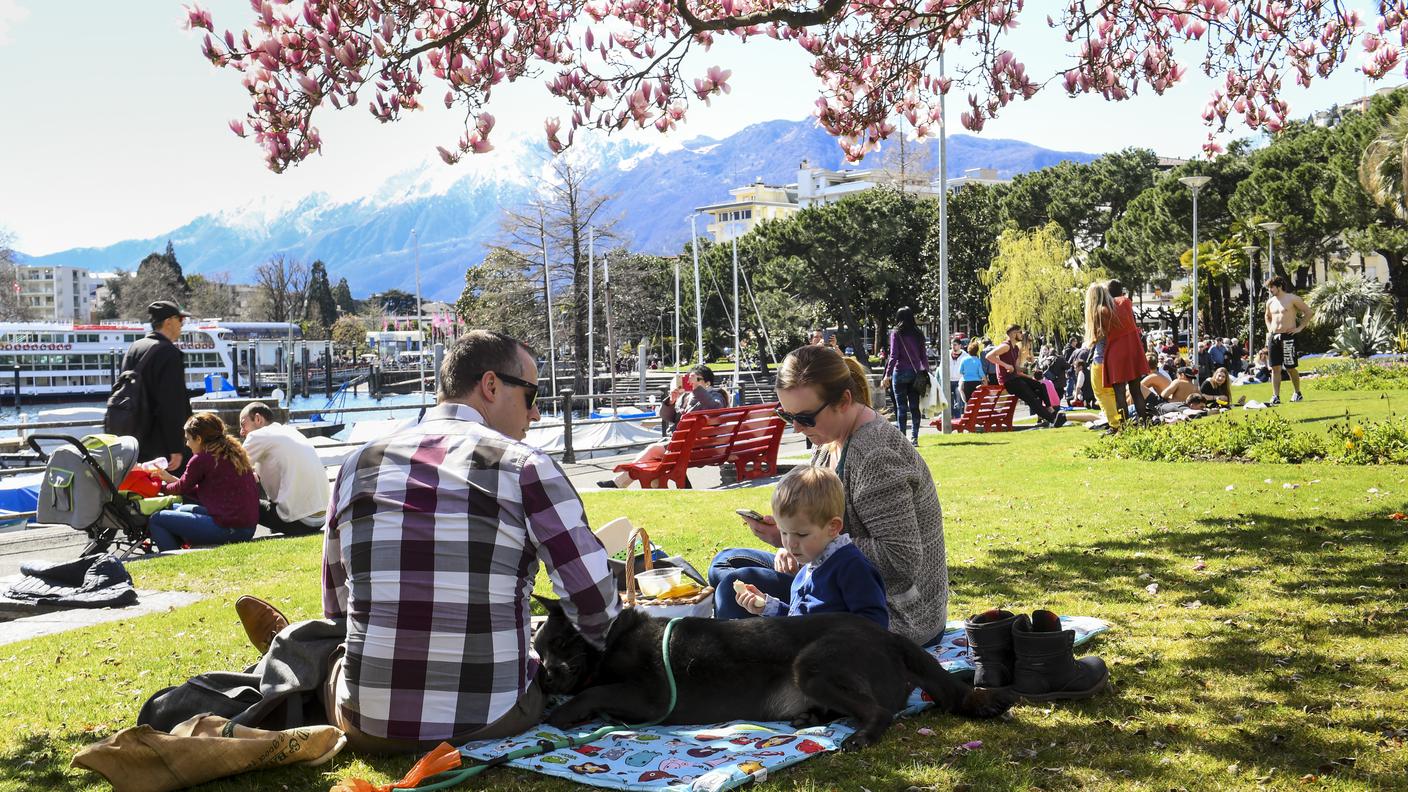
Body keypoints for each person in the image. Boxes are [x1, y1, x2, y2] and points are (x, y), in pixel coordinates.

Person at [709, 344, 948, 646]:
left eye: (805, 418)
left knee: (731, 587)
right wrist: (787, 535)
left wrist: (812, 541)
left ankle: (761, 686)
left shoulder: (875, 456)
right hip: (839, 579)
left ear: (843, 400)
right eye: (787, 415)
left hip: (890, 615)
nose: (796, 428)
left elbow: (899, 561)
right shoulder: (831, 437)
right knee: (725, 564)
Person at [733, 466, 888, 628]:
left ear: (833, 527)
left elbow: (875, 626)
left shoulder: (851, 567)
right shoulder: (811, 563)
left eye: (801, 534)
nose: (790, 543)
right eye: (784, 532)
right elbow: (801, 621)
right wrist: (766, 606)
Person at [598, 364, 727, 488]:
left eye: (696, 379)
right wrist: (670, 402)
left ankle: (618, 483)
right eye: (690, 378)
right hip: (684, 444)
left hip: (697, 447)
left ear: (708, 383)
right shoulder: (687, 397)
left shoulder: (715, 395)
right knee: (653, 459)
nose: (692, 382)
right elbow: (668, 418)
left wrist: (697, 390)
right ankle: (647, 486)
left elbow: (716, 408)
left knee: (653, 450)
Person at [148, 412, 259, 552]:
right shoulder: (233, 452)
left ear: (199, 439)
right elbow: (198, 491)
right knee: (181, 509)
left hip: (231, 530)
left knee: (157, 519)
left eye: (188, 439)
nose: (187, 444)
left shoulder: (201, 459)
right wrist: (170, 479)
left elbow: (181, 488)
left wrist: (158, 488)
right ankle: (185, 549)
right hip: (246, 528)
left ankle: (173, 557)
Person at [111, 300, 194, 469]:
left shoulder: (134, 348)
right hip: (160, 444)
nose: (182, 325)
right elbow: (172, 404)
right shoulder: (168, 353)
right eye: (180, 320)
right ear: (168, 322)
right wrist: (176, 447)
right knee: (171, 491)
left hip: (133, 438)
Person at [238, 402, 331, 535]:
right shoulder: (290, 431)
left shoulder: (257, 435)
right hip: (321, 518)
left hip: (299, 521)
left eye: (243, 424)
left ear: (258, 419)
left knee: (241, 501)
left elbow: (230, 469)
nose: (241, 432)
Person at [987, 325, 1067, 427]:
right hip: (1008, 381)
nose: (1022, 334)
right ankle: (1053, 420)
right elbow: (989, 356)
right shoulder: (1005, 346)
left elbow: (1016, 368)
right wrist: (1006, 365)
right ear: (1013, 334)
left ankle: (1050, 409)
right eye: (1020, 332)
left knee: (1041, 386)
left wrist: (1026, 370)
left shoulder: (1015, 348)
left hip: (1015, 378)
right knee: (1032, 399)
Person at [881, 306, 929, 446]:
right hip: (915, 374)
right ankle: (915, 438)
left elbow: (894, 356)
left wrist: (887, 375)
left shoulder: (896, 333)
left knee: (901, 407)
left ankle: (902, 439)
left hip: (900, 372)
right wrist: (925, 372)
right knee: (914, 407)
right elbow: (923, 356)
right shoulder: (918, 334)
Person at [1104, 280, 1150, 421]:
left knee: (1119, 394)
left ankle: (1124, 428)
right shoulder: (1126, 302)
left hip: (1115, 351)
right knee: (1136, 391)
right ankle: (1145, 423)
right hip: (1132, 349)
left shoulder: (1105, 307)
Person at [1265, 275, 1313, 404]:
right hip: (1274, 337)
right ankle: (1276, 396)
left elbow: (1308, 312)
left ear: (1279, 286)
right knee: (1275, 367)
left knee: (1290, 367)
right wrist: (1270, 330)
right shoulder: (1270, 302)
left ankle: (1297, 393)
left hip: (1288, 337)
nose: (1270, 290)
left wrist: (1299, 328)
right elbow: (1267, 317)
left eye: (1272, 287)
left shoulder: (1292, 299)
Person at [1083, 282, 1123, 429]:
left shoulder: (1098, 312)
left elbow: (1098, 336)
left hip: (1101, 359)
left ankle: (1114, 424)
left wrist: (1090, 341)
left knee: (1101, 393)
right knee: (1112, 394)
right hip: (1113, 358)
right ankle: (1119, 422)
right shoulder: (1113, 309)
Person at [958, 339, 986, 404]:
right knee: (976, 402)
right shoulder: (978, 360)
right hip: (977, 383)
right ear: (977, 351)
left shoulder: (964, 360)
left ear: (968, 350)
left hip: (966, 383)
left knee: (967, 401)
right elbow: (981, 373)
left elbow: (960, 371)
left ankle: (966, 409)